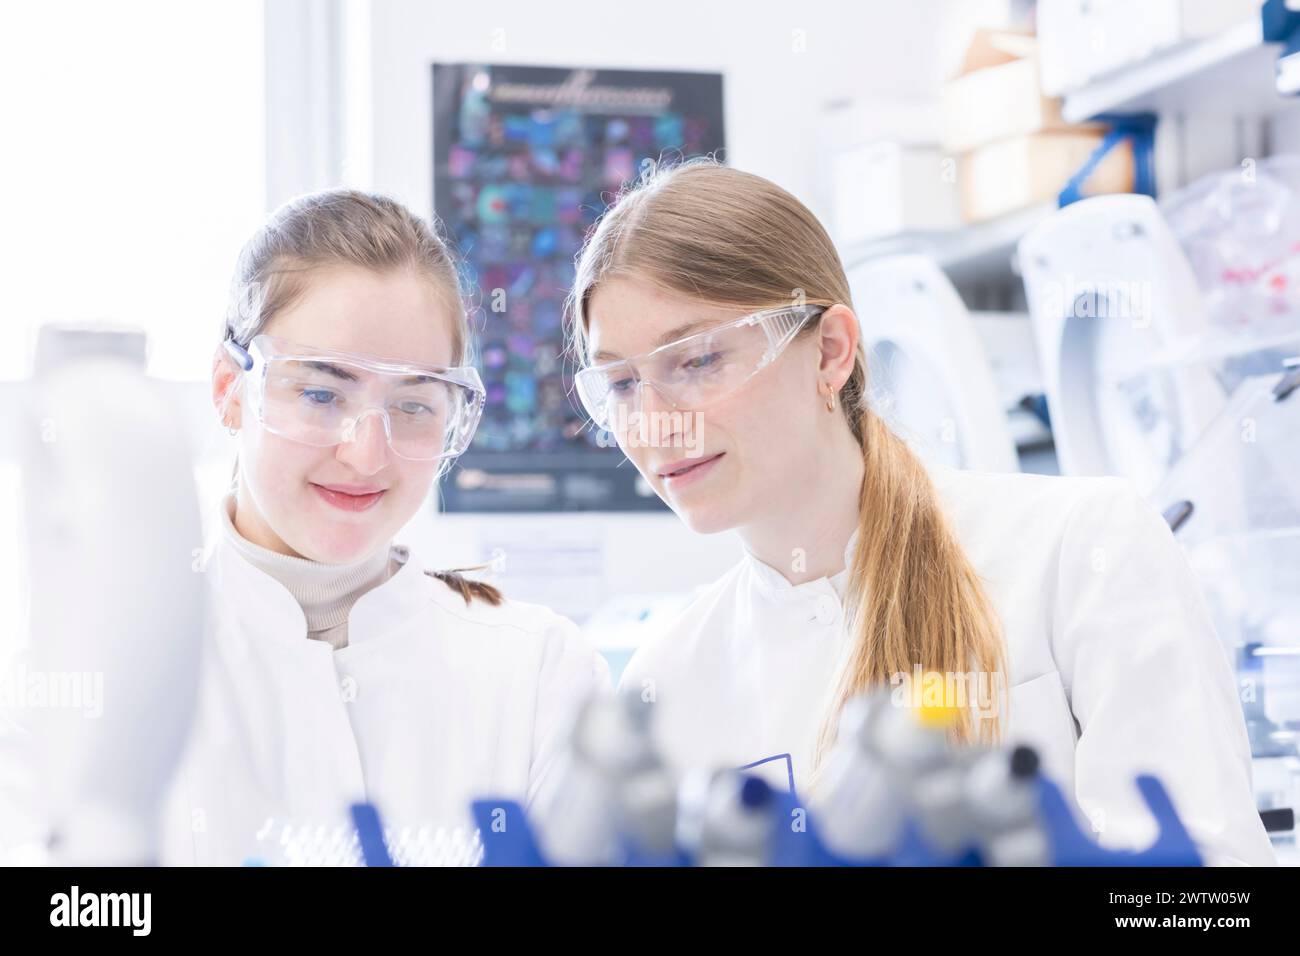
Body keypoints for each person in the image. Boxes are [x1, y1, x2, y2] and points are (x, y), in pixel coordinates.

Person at [568, 159, 1275, 866]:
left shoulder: (1080, 548)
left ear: (830, 354)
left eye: (696, 360)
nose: (654, 425)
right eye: (622, 383)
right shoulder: (672, 676)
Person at [163, 189, 609, 864]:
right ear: (231, 389)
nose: (366, 453)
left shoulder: (540, 673)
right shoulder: (115, 666)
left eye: (414, 405)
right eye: (320, 393)